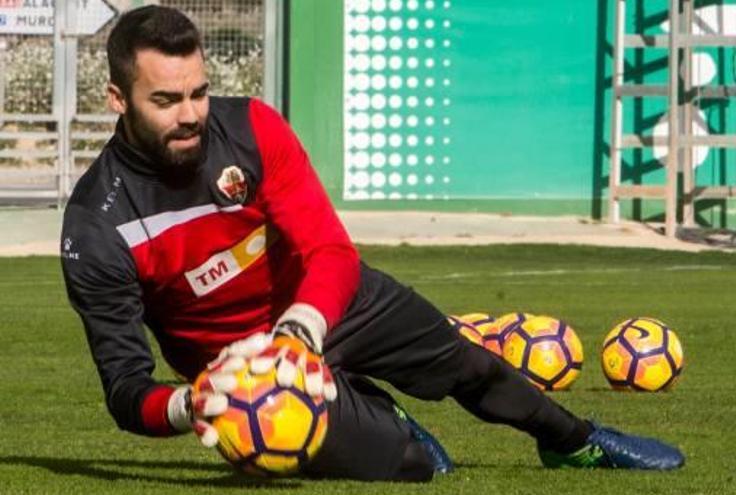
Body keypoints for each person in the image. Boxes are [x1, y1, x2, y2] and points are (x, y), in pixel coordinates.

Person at [60, 5, 684, 482]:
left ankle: (575, 442)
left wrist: (303, 329)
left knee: (468, 364)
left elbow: (330, 251)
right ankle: (383, 413)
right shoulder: (96, 225)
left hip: (322, 305)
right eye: (166, 100)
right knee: (418, 467)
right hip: (251, 377)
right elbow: (125, 389)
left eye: (198, 92)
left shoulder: (250, 127)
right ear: (118, 99)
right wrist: (194, 403)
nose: (192, 114)